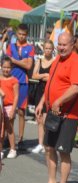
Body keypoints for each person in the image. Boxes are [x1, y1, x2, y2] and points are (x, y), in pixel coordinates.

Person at [34, 32, 78, 183]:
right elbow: (50, 84)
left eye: (64, 45)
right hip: (53, 112)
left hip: (68, 114)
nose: (61, 48)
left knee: (63, 151)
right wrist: (42, 102)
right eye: (60, 44)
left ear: (72, 44)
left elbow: (74, 88)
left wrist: (58, 101)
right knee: (49, 148)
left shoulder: (77, 61)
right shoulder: (57, 60)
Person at [6, 23, 35, 151]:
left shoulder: (30, 48)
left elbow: (29, 66)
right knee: (10, 111)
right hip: (11, 81)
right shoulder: (10, 46)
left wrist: (15, 61)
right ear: (16, 34)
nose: (22, 36)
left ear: (27, 35)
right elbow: (7, 62)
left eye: (24, 34)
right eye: (20, 34)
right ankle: (9, 136)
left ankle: (21, 139)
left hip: (23, 82)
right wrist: (22, 62)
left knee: (21, 112)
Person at [31, 40, 55, 154]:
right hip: (40, 90)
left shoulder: (55, 61)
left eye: (50, 48)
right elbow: (34, 75)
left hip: (49, 91)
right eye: (46, 48)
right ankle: (40, 143)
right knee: (39, 118)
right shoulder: (39, 60)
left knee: (46, 120)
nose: (48, 50)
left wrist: (47, 77)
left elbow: (53, 78)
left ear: (53, 49)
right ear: (43, 49)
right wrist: (44, 75)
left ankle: (46, 143)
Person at [0, 57, 19, 159]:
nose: (6, 69)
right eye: (4, 67)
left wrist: (13, 109)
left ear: (11, 68)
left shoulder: (14, 80)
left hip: (9, 106)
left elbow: (16, 96)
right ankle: (1, 149)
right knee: (1, 130)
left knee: (9, 129)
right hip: (0, 106)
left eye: (8, 67)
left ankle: (13, 149)